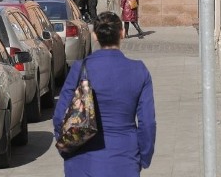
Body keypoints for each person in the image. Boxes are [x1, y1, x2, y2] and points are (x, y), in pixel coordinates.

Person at [53, 11, 156, 177]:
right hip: (124, 157)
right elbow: (147, 123)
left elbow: (59, 117)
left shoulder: (79, 69)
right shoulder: (139, 71)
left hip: (81, 160)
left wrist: (67, 148)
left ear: (95, 36)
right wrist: (144, 156)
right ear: (122, 33)